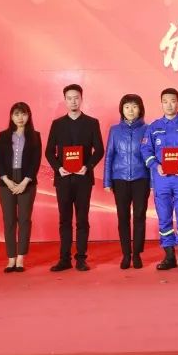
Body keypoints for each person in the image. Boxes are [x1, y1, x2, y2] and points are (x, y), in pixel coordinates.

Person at [45, 84, 105, 272]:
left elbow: (99, 150)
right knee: (64, 220)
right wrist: (59, 168)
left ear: (81, 99)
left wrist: (87, 167)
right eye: (69, 98)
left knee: (82, 219)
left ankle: (81, 258)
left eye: (76, 97)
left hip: (83, 179)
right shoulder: (57, 124)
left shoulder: (91, 123)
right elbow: (49, 151)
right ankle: (64, 259)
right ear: (65, 100)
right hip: (63, 179)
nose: (73, 101)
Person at [141, 88, 178, 270]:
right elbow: (145, 150)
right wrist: (156, 166)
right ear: (161, 103)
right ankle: (169, 257)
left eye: (173, 101)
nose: (169, 105)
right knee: (164, 217)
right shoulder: (153, 127)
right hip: (161, 179)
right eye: (165, 101)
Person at [103, 94, 151, 269]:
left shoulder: (148, 129)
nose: (131, 110)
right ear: (122, 110)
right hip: (120, 179)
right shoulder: (115, 130)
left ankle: (137, 254)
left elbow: (152, 156)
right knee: (122, 217)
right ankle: (126, 254)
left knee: (139, 216)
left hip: (141, 178)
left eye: (134, 106)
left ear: (140, 109)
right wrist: (107, 181)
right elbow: (109, 156)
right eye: (127, 107)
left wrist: (153, 183)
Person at [0, 102, 42, 273]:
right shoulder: (3, 135)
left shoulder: (35, 136)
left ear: (29, 116)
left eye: (23, 114)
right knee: (9, 220)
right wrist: (6, 180)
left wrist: (25, 182)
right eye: (16, 114)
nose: (20, 118)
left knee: (24, 219)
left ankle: (21, 257)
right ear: (11, 116)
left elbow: (36, 161)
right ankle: (11, 258)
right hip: (6, 181)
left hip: (26, 181)